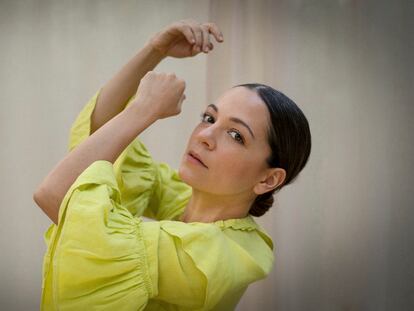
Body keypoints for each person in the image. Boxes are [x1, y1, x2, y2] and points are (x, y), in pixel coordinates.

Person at [34, 19, 311, 310]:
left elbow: (55, 194)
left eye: (235, 135)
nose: (205, 136)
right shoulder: (189, 202)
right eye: (209, 118)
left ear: (268, 180)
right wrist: (156, 49)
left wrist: (144, 110)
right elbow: (101, 131)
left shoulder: (219, 256)